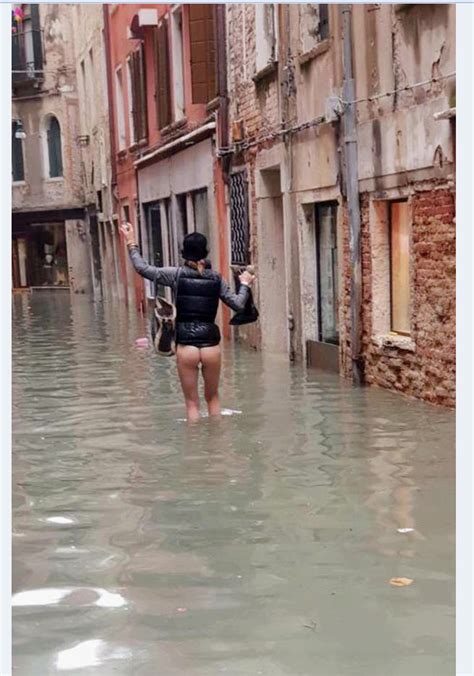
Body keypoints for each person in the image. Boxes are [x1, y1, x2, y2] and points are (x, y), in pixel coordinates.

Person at [120, 223, 256, 422]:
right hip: (211, 347)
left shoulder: (175, 275)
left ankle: (195, 448)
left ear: (184, 253)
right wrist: (244, 284)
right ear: (206, 252)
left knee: (192, 404)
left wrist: (131, 242)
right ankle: (216, 447)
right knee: (213, 398)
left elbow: (142, 268)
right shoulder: (216, 279)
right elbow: (237, 304)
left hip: (186, 347)